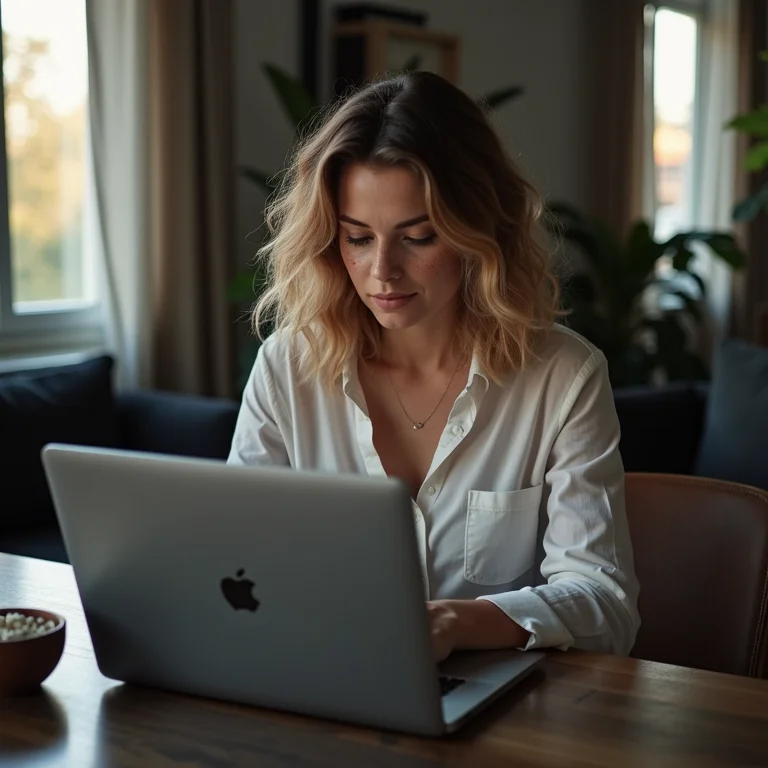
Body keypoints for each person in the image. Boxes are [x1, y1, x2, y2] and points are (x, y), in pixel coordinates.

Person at [228, 71, 640, 661]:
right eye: (358, 238)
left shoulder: (563, 377)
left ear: (479, 233)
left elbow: (605, 605)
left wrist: (457, 623)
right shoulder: (287, 367)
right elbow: (238, 566)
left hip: (505, 715)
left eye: (418, 237)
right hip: (323, 681)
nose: (382, 272)